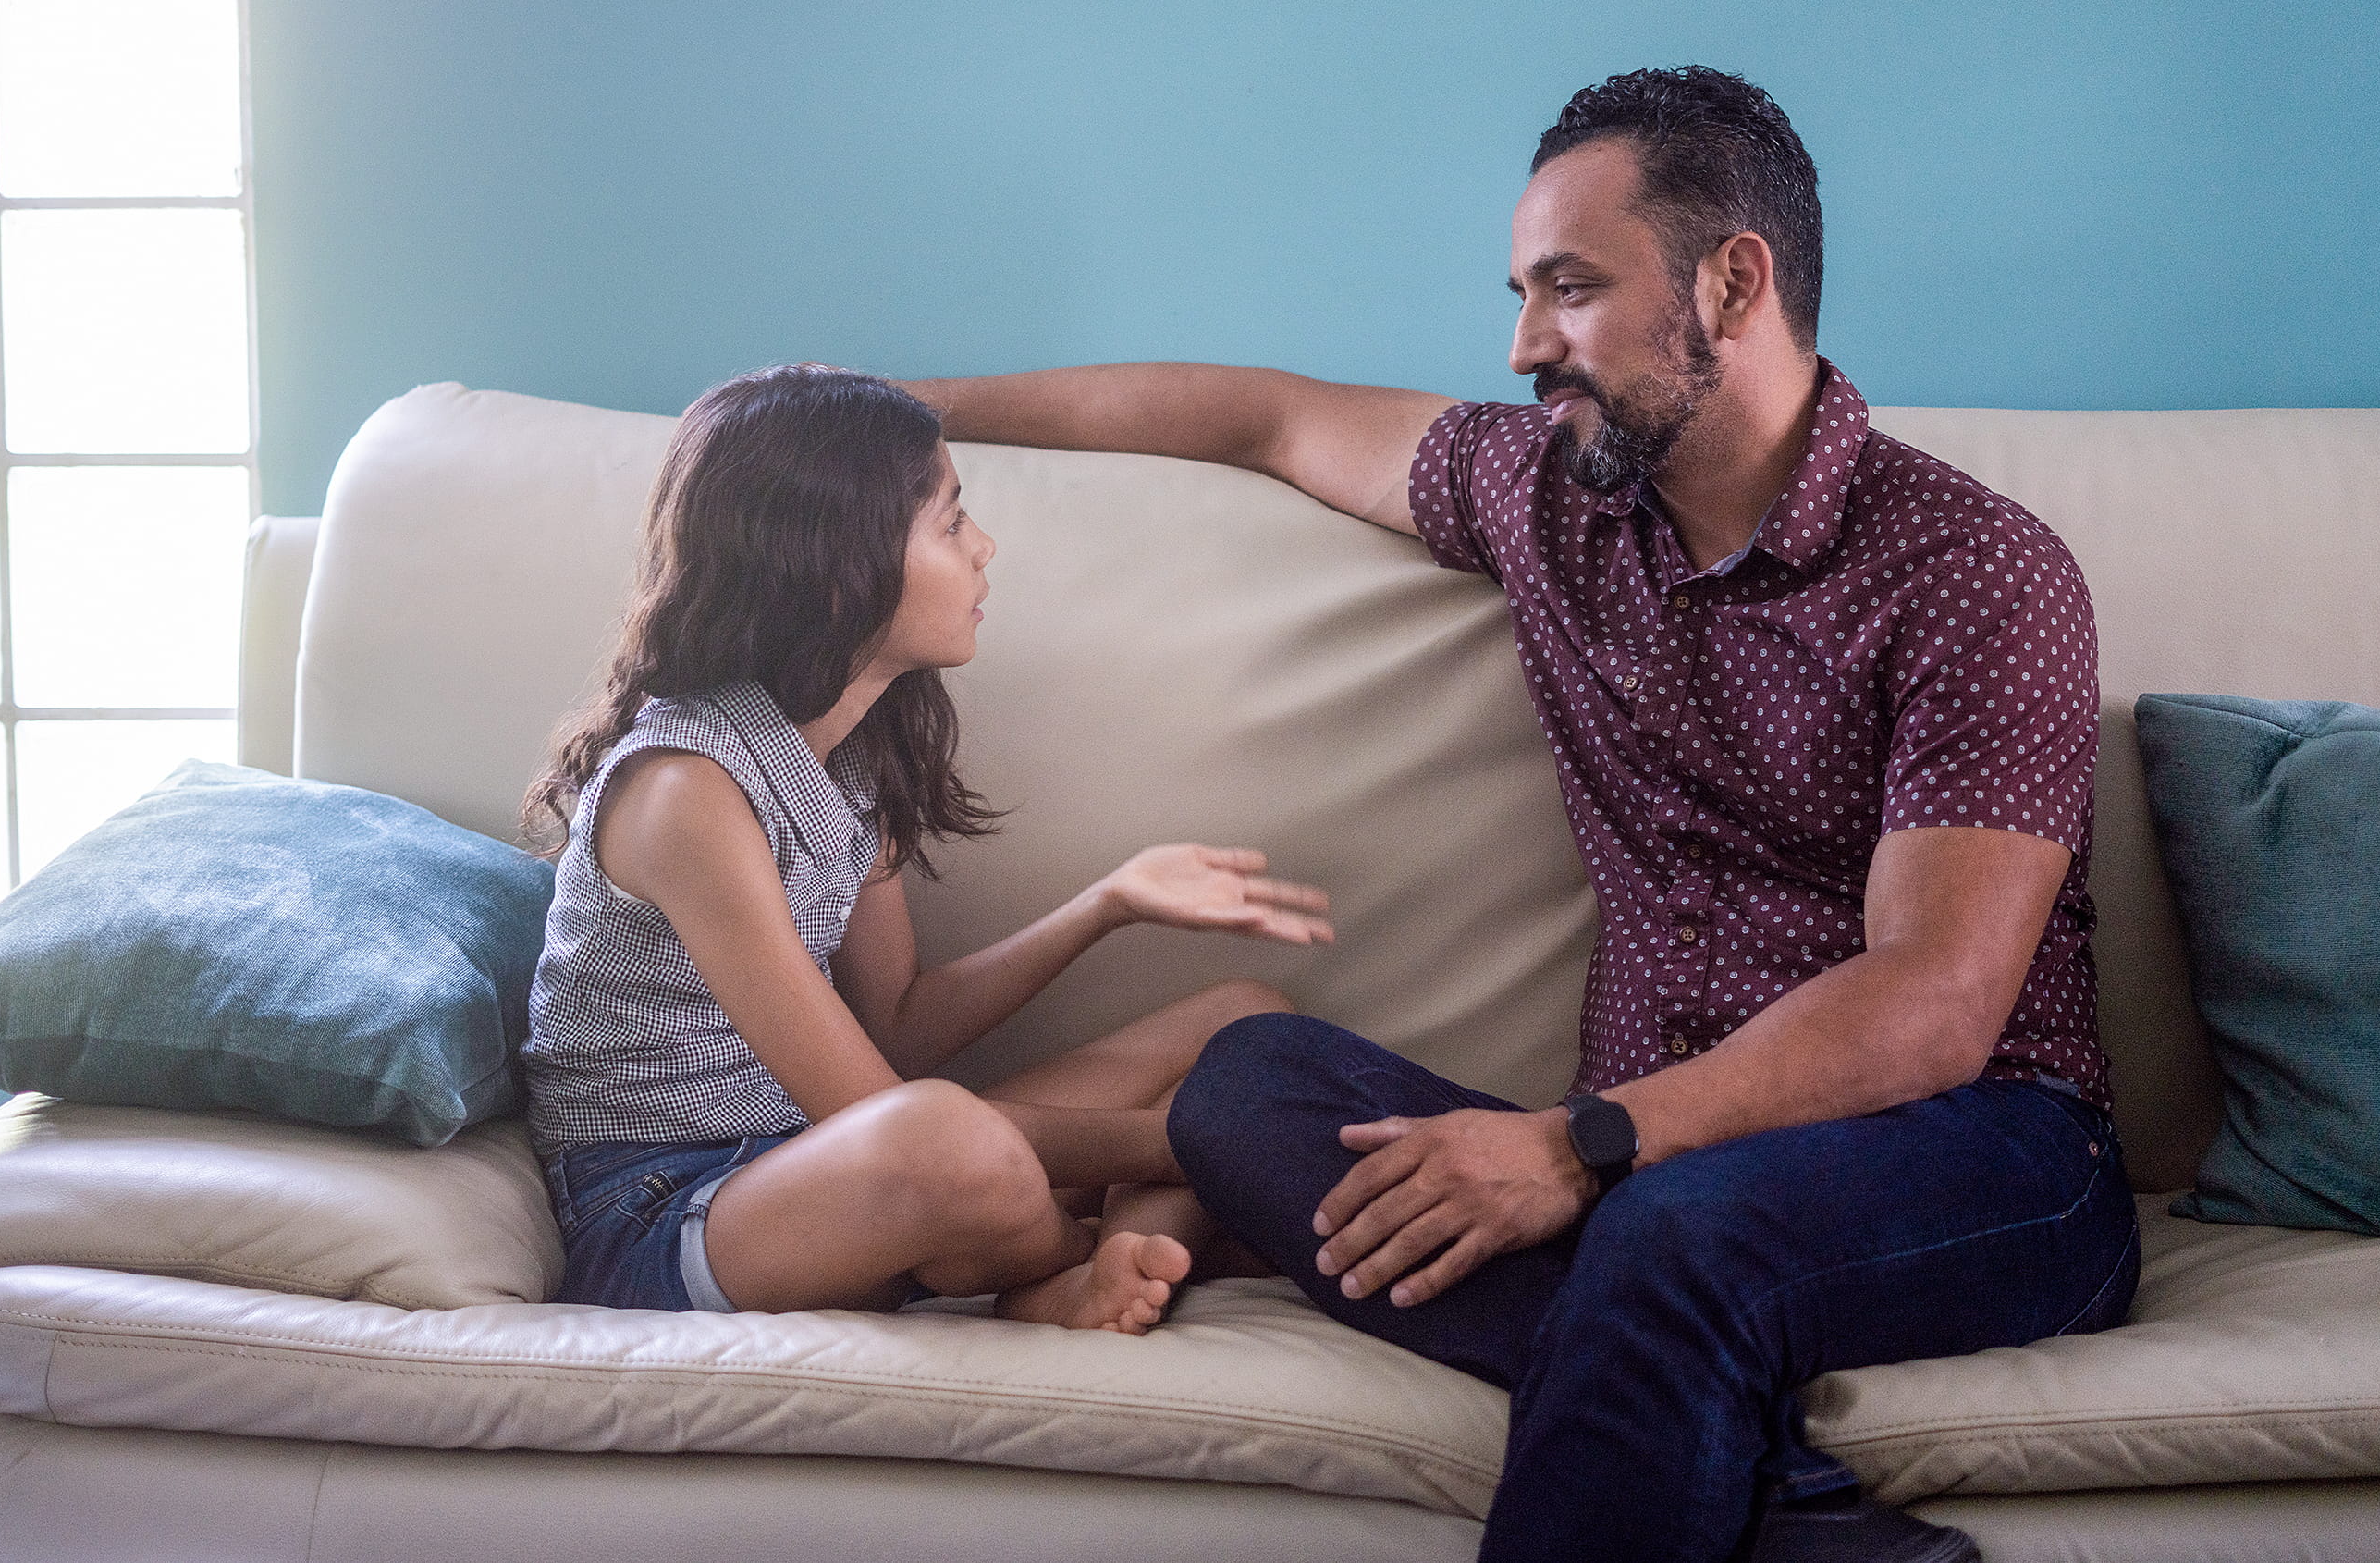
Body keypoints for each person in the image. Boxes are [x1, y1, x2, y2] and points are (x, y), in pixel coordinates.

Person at [901, 66, 2138, 1562]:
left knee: (1677, 1238)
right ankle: (1812, 1526)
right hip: (1639, 1164)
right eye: (1521, 292)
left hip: (1973, 1154)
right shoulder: (1543, 493)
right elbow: (1266, 420)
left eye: (1569, 290)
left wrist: (1575, 1149)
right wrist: (893, 410)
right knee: (1243, 1088)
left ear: (1732, 283)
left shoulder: (1972, 570)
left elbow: (1935, 1004)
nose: (1521, 345)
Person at [518, 364, 1332, 1335]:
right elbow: (873, 1111)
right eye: (950, 522)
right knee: (945, 1140)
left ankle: (1105, 1251)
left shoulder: (852, 754)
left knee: (1246, 1026)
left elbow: (898, 1022)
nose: (984, 548)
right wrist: (1189, 1143)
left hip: (812, 1156)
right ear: (836, 569)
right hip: (668, 1211)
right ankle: (1072, 1262)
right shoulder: (686, 791)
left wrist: (1108, 902)